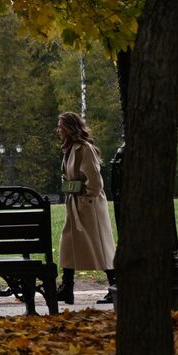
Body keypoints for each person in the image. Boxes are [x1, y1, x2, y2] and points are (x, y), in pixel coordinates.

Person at [55, 111, 116, 305]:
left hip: (88, 207)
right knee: (68, 246)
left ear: (70, 128)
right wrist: (71, 189)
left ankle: (115, 286)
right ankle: (67, 288)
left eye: (61, 126)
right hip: (76, 204)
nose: (58, 130)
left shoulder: (84, 148)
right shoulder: (70, 149)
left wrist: (81, 195)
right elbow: (68, 180)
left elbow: (95, 184)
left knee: (101, 247)